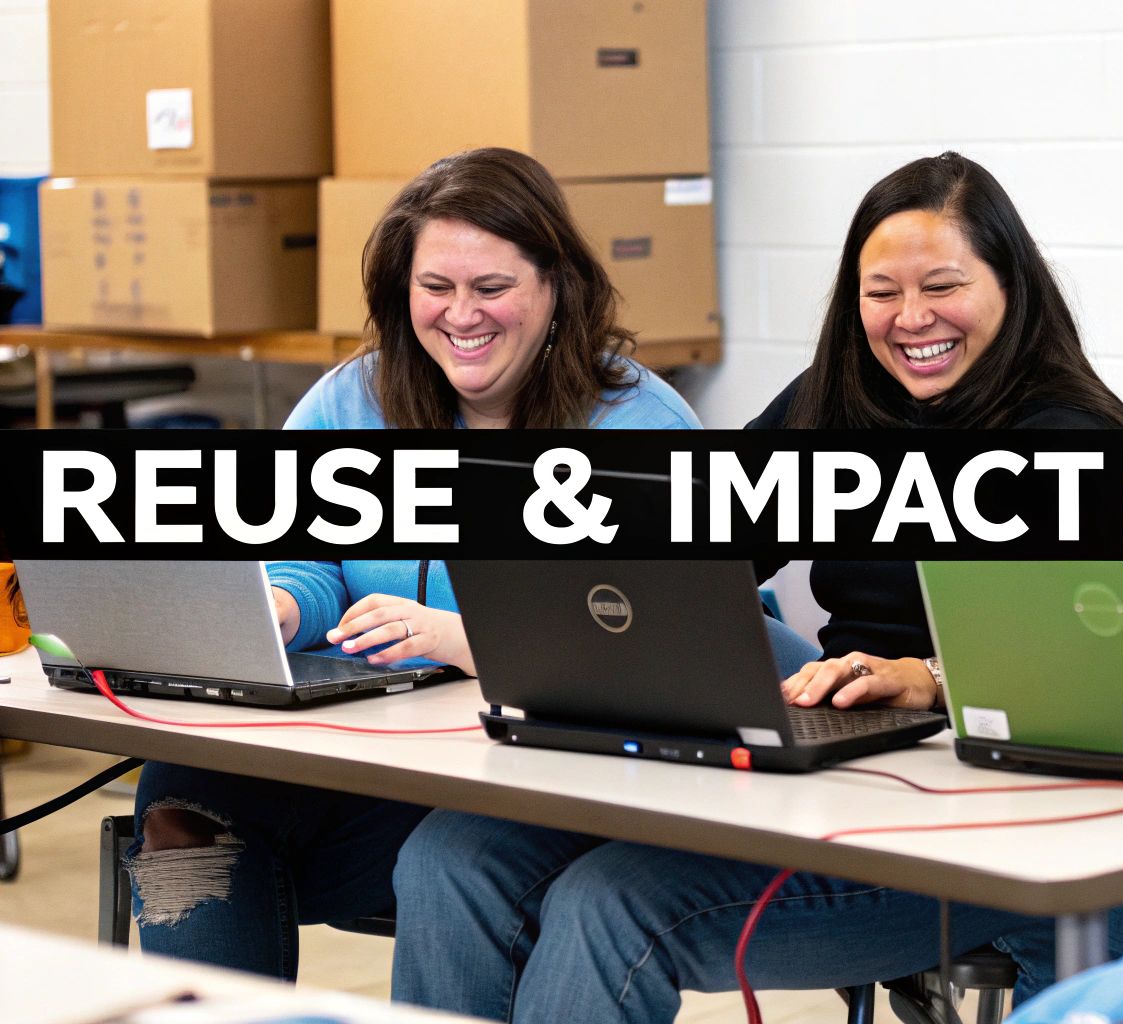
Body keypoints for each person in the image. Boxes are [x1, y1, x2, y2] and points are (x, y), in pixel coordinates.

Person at [390, 152, 1123, 1023]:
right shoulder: (838, 401)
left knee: (607, 907)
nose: (910, 318)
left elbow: (1105, 670)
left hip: (989, 821)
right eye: (881, 292)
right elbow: (697, 552)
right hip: (830, 773)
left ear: (1011, 287)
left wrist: (929, 675)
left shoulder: (1072, 438)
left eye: (943, 286)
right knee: (455, 854)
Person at [124, 147, 711, 979]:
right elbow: (308, 559)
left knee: (446, 851)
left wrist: (454, 635)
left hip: (534, 790)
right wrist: (282, 609)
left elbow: (656, 639)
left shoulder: (637, 427)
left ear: (556, 287)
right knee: (182, 793)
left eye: (492, 289)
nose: (460, 315)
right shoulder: (350, 400)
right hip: (375, 767)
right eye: (436, 288)